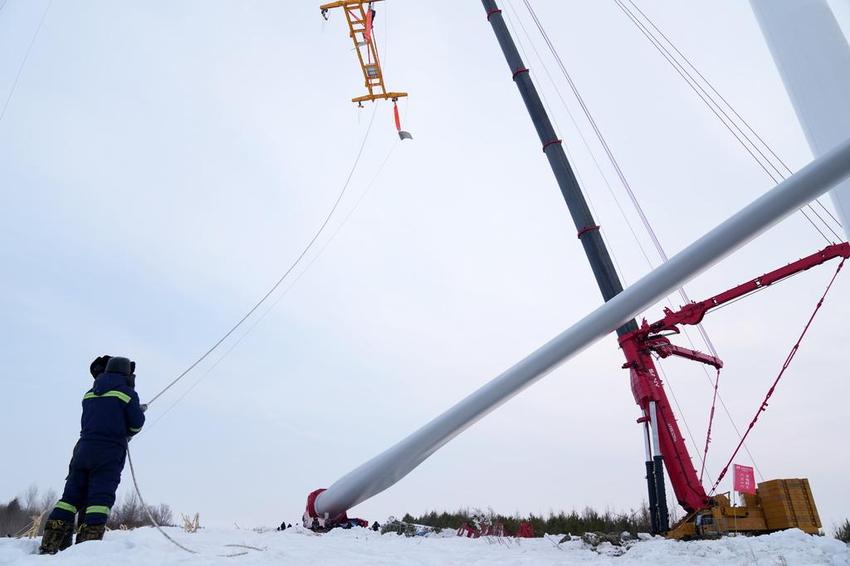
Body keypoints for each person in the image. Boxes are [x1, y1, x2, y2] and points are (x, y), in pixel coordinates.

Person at [38, 356, 146, 554]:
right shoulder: (128, 394)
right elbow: (135, 425)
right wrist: (138, 411)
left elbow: (100, 418)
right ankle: (85, 551)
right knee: (99, 500)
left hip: (82, 451)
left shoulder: (89, 394)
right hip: (108, 454)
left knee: (70, 497)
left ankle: (51, 543)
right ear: (126, 374)